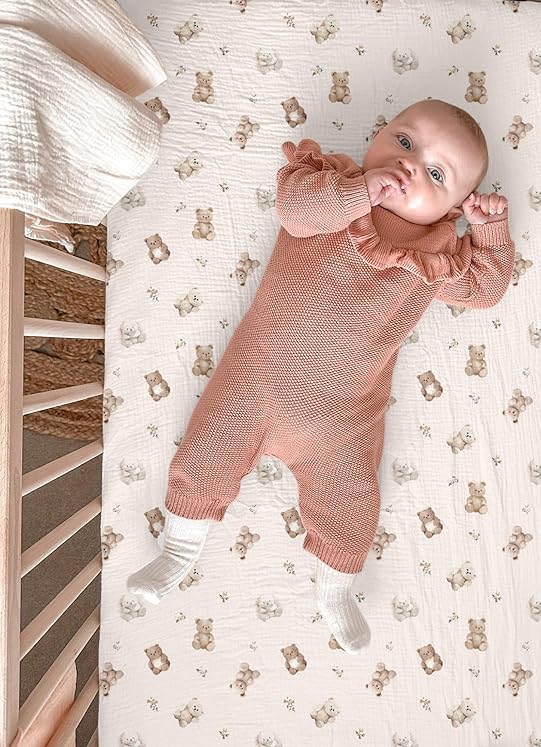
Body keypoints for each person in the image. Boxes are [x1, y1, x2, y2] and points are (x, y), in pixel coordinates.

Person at [126, 98, 515, 654]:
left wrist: (491, 232)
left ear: (454, 209)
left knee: (351, 499)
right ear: (380, 132)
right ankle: (178, 550)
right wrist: (360, 193)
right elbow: (293, 209)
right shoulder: (331, 185)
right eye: (405, 142)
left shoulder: (438, 253)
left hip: (342, 415)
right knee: (205, 454)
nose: (408, 166)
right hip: (256, 381)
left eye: (435, 175)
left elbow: (485, 291)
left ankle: (335, 589)